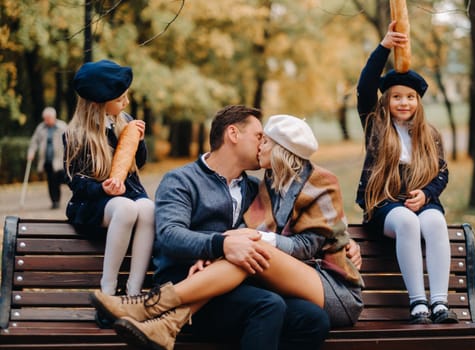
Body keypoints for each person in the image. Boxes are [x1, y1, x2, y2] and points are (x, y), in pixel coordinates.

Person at [89, 106, 363, 350]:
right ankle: (158, 310)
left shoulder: (257, 188)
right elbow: (170, 236)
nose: (261, 144)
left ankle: (161, 315)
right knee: (268, 305)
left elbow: (300, 233)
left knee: (312, 319)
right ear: (233, 134)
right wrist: (220, 245)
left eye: (265, 140)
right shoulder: (181, 180)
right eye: (259, 136)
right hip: (188, 279)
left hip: (242, 280)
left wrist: (344, 243)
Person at [355, 21, 458, 324]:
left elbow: (442, 173)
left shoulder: (430, 135)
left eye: (410, 97)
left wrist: (427, 194)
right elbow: (364, 86)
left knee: (436, 222)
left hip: (421, 202)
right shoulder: (376, 125)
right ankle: (419, 304)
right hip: (386, 206)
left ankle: (439, 303)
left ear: (418, 101)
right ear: (386, 100)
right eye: (397, 96)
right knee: (407, 222)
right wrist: (384, 46)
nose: (404, 102)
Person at [63, 60, 155, 320]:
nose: (126, 102)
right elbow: (75, 182)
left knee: (149, 208)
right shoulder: (76, 135)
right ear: (97, 105)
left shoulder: (123, 123)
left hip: (129, 192)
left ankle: (134, 293)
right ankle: (108, 294)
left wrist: (138, 139)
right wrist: (101, 187)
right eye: (120, 98)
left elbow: (138, 163)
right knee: (126, 209)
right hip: (93, 203)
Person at [27, 106, 67, 209]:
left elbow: (70, 141)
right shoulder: (41, 128)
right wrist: (31, 152)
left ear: (54, 117)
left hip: (60, 160)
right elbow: (34, 141)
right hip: (47, 160)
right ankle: (55, 201)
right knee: (51, 181)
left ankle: (61, 199)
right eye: (45, 118)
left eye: (48, 118)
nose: (47, 120)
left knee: (59, 179)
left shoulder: (62, 127)